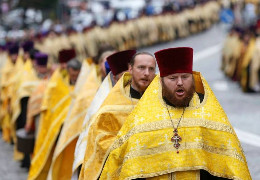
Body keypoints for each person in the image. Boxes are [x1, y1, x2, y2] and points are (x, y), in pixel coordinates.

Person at [100, 47, 252, 180]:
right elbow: (128, 168)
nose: (180, 82)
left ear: (192, 79)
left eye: (185, 77)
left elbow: (228, 167)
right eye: (173, 78)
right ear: (161, 82)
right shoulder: (144, 116)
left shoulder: (207, 113)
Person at [79, 52, 156, 180]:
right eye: (141, 68)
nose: (146, 73)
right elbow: (102, 142)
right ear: (130, 69)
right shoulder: (112, 104)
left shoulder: (160, 97)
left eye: (151, 69)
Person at [72, 49, 137, 179]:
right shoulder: (102, 100)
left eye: (131, 76)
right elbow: (99, 138)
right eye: (123, 76)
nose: (128, 80)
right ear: (114, 78)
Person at [28, 50, 79, 180]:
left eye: (76, 76)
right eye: (72, 75)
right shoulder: (56, 83)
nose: (74, 78)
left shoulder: (84, 84)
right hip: (58, 127)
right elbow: (50, 103)